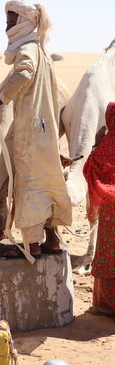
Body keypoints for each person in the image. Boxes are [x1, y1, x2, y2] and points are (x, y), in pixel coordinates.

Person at [0, 0, 72, 259]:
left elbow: (23, 73)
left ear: (24, 23)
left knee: (27, 185)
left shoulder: (29, 50)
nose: (7, 27)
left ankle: (31, 247)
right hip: (43, 131)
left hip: (30, 133)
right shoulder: (42, 52)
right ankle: (51, 241)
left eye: (11, 22)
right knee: (46, 184)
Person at [83, 102, 115, 316]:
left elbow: (91, 167)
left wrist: (96, 143)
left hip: (112, 212)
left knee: (108, 254)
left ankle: (107, 306)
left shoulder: (109, 142)